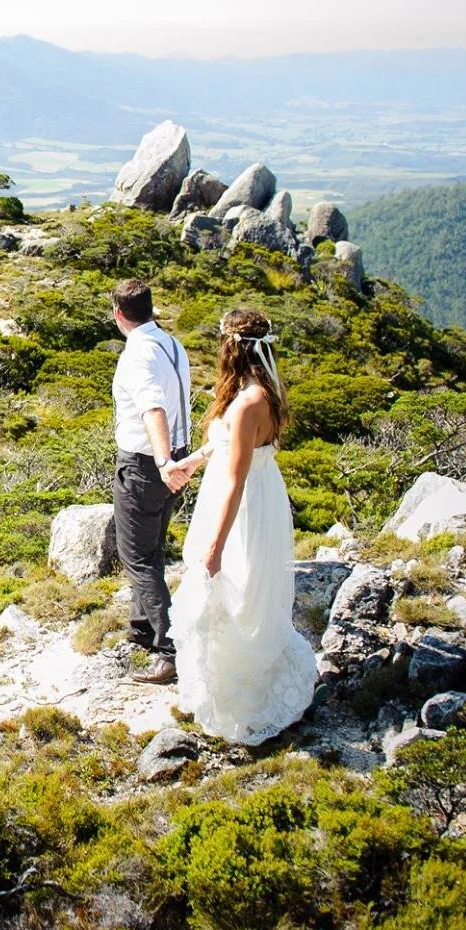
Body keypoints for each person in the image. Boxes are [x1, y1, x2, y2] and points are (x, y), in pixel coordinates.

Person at [161, 308, 318, 744]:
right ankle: (226, 686)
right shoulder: (263, 390)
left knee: (234, 587)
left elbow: (236, 479)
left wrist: (214, 547)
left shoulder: (249, 402)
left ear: (232, 348)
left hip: (244, 503)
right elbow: (229, 444)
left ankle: (241, 700)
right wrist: (194, 461)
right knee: (245, 590)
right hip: (259, 492)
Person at [108, 278, 192, 686]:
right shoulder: (172, 345)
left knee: (137, 558)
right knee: (152, 551)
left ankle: (169, 650)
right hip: (177, 458)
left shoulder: (136, 356)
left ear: (118, 314)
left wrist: (162, 461)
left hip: (146, 465)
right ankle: (141, 628)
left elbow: (152, 408)